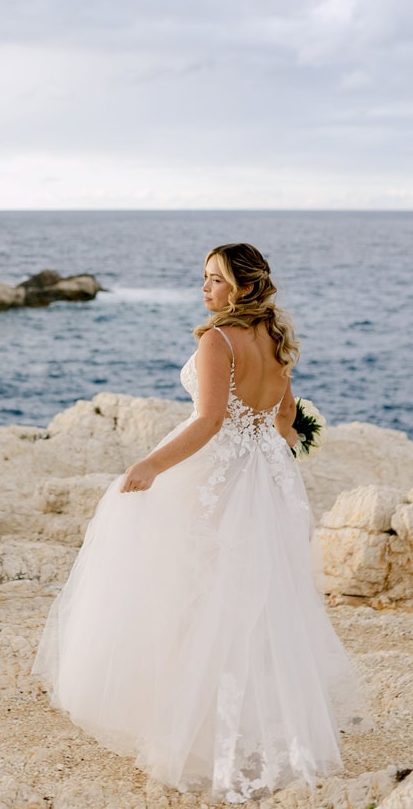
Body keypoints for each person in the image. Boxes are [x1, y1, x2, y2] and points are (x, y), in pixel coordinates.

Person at [32, 243, 367, 804]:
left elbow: (210, 421)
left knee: (190, 588)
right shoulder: (275, 337)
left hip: (216, 476)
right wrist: (270, 448)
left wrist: (150, 465)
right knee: (257, 598)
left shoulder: (219, 339)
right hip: (266, 477)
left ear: (241, 286)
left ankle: (192, 727)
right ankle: (262, 723)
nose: (204, 289)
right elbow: (284, 417)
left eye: (214, 280)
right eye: (204, 278)